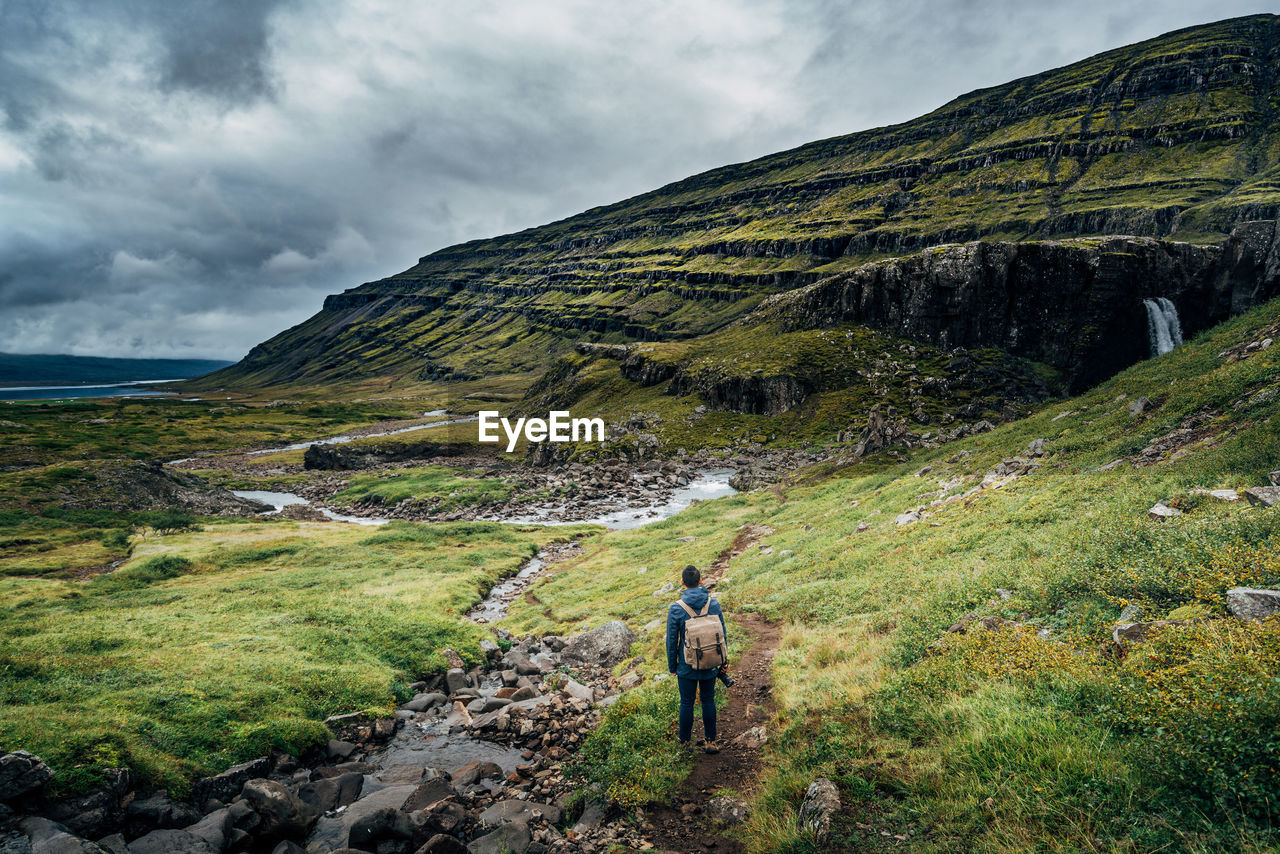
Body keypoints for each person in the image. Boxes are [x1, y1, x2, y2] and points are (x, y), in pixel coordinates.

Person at [666, 564, 727, 753]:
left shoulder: (677, 608)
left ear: (683, 583)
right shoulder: (713, 604)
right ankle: (710, 741)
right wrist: (724, 661)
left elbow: (671, 640)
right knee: (708, 700)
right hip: (711, 662)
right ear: (700, 581)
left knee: (686, 702)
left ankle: (684, 743)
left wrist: (672, 666)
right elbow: (722, 634)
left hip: (687, 664)